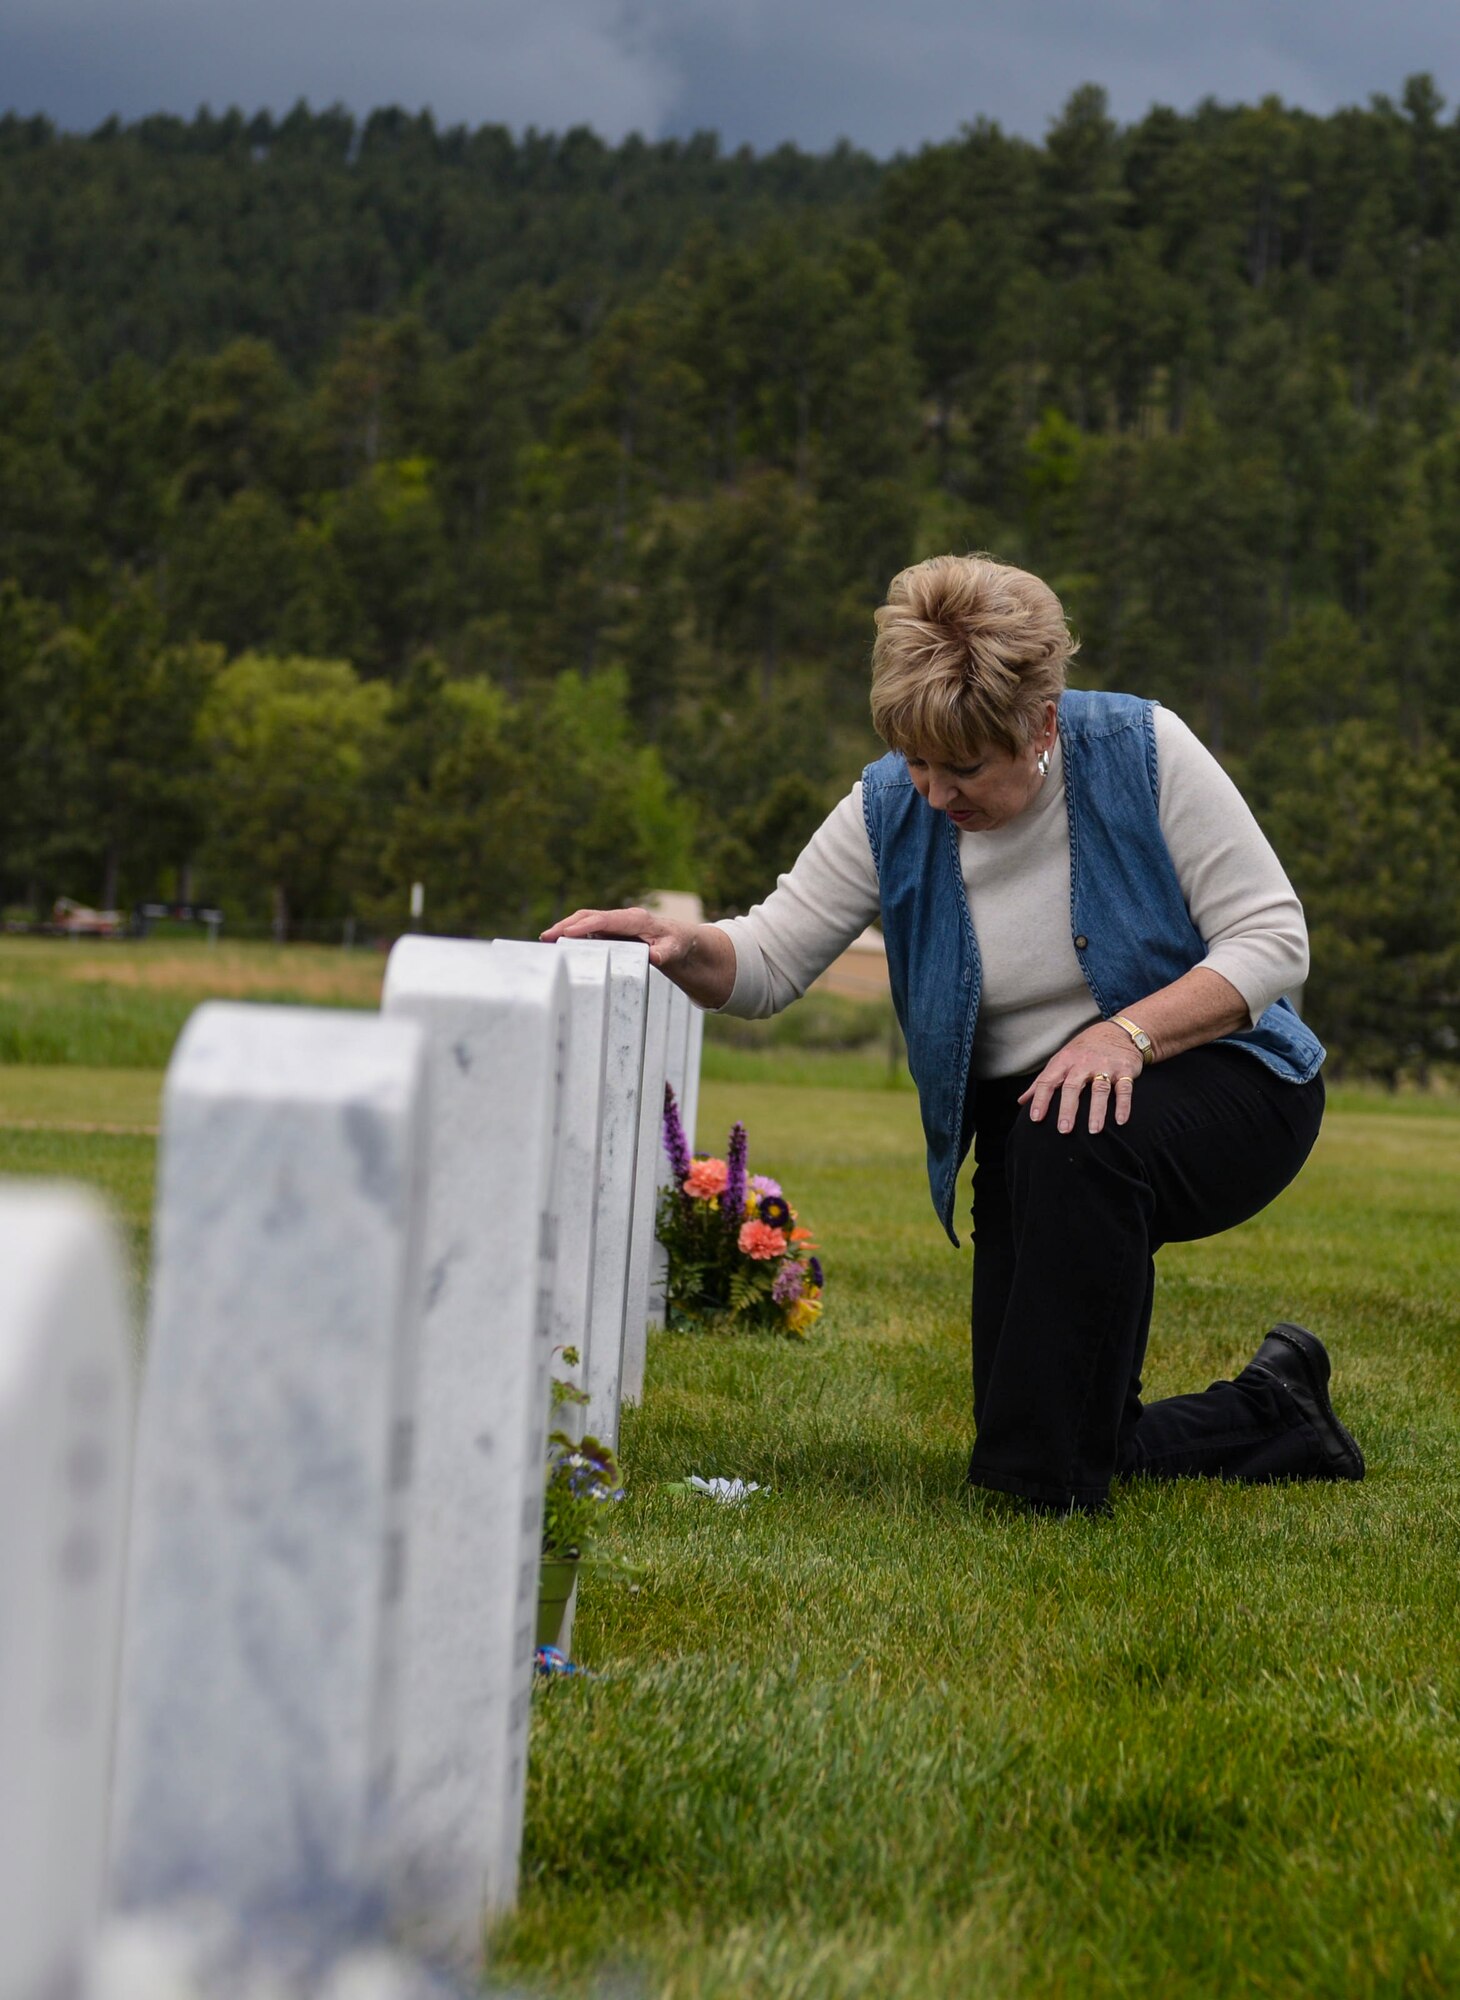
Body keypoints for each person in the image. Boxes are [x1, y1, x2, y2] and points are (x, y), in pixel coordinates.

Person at [542, 554, 1364, 1516]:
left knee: (1075, 1152)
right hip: (1043, 1138)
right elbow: (764, 961)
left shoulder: (1148, 749)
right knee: (1055, 1403)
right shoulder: (891, 802)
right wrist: (678, 942)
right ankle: (1277, 1408)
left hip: (1229, 1089)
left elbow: (1273, 940)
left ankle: (1034, 1500)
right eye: (918, 762)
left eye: (965, 766)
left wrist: (1126, 1036)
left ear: (1041, 724)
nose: (935, 793)